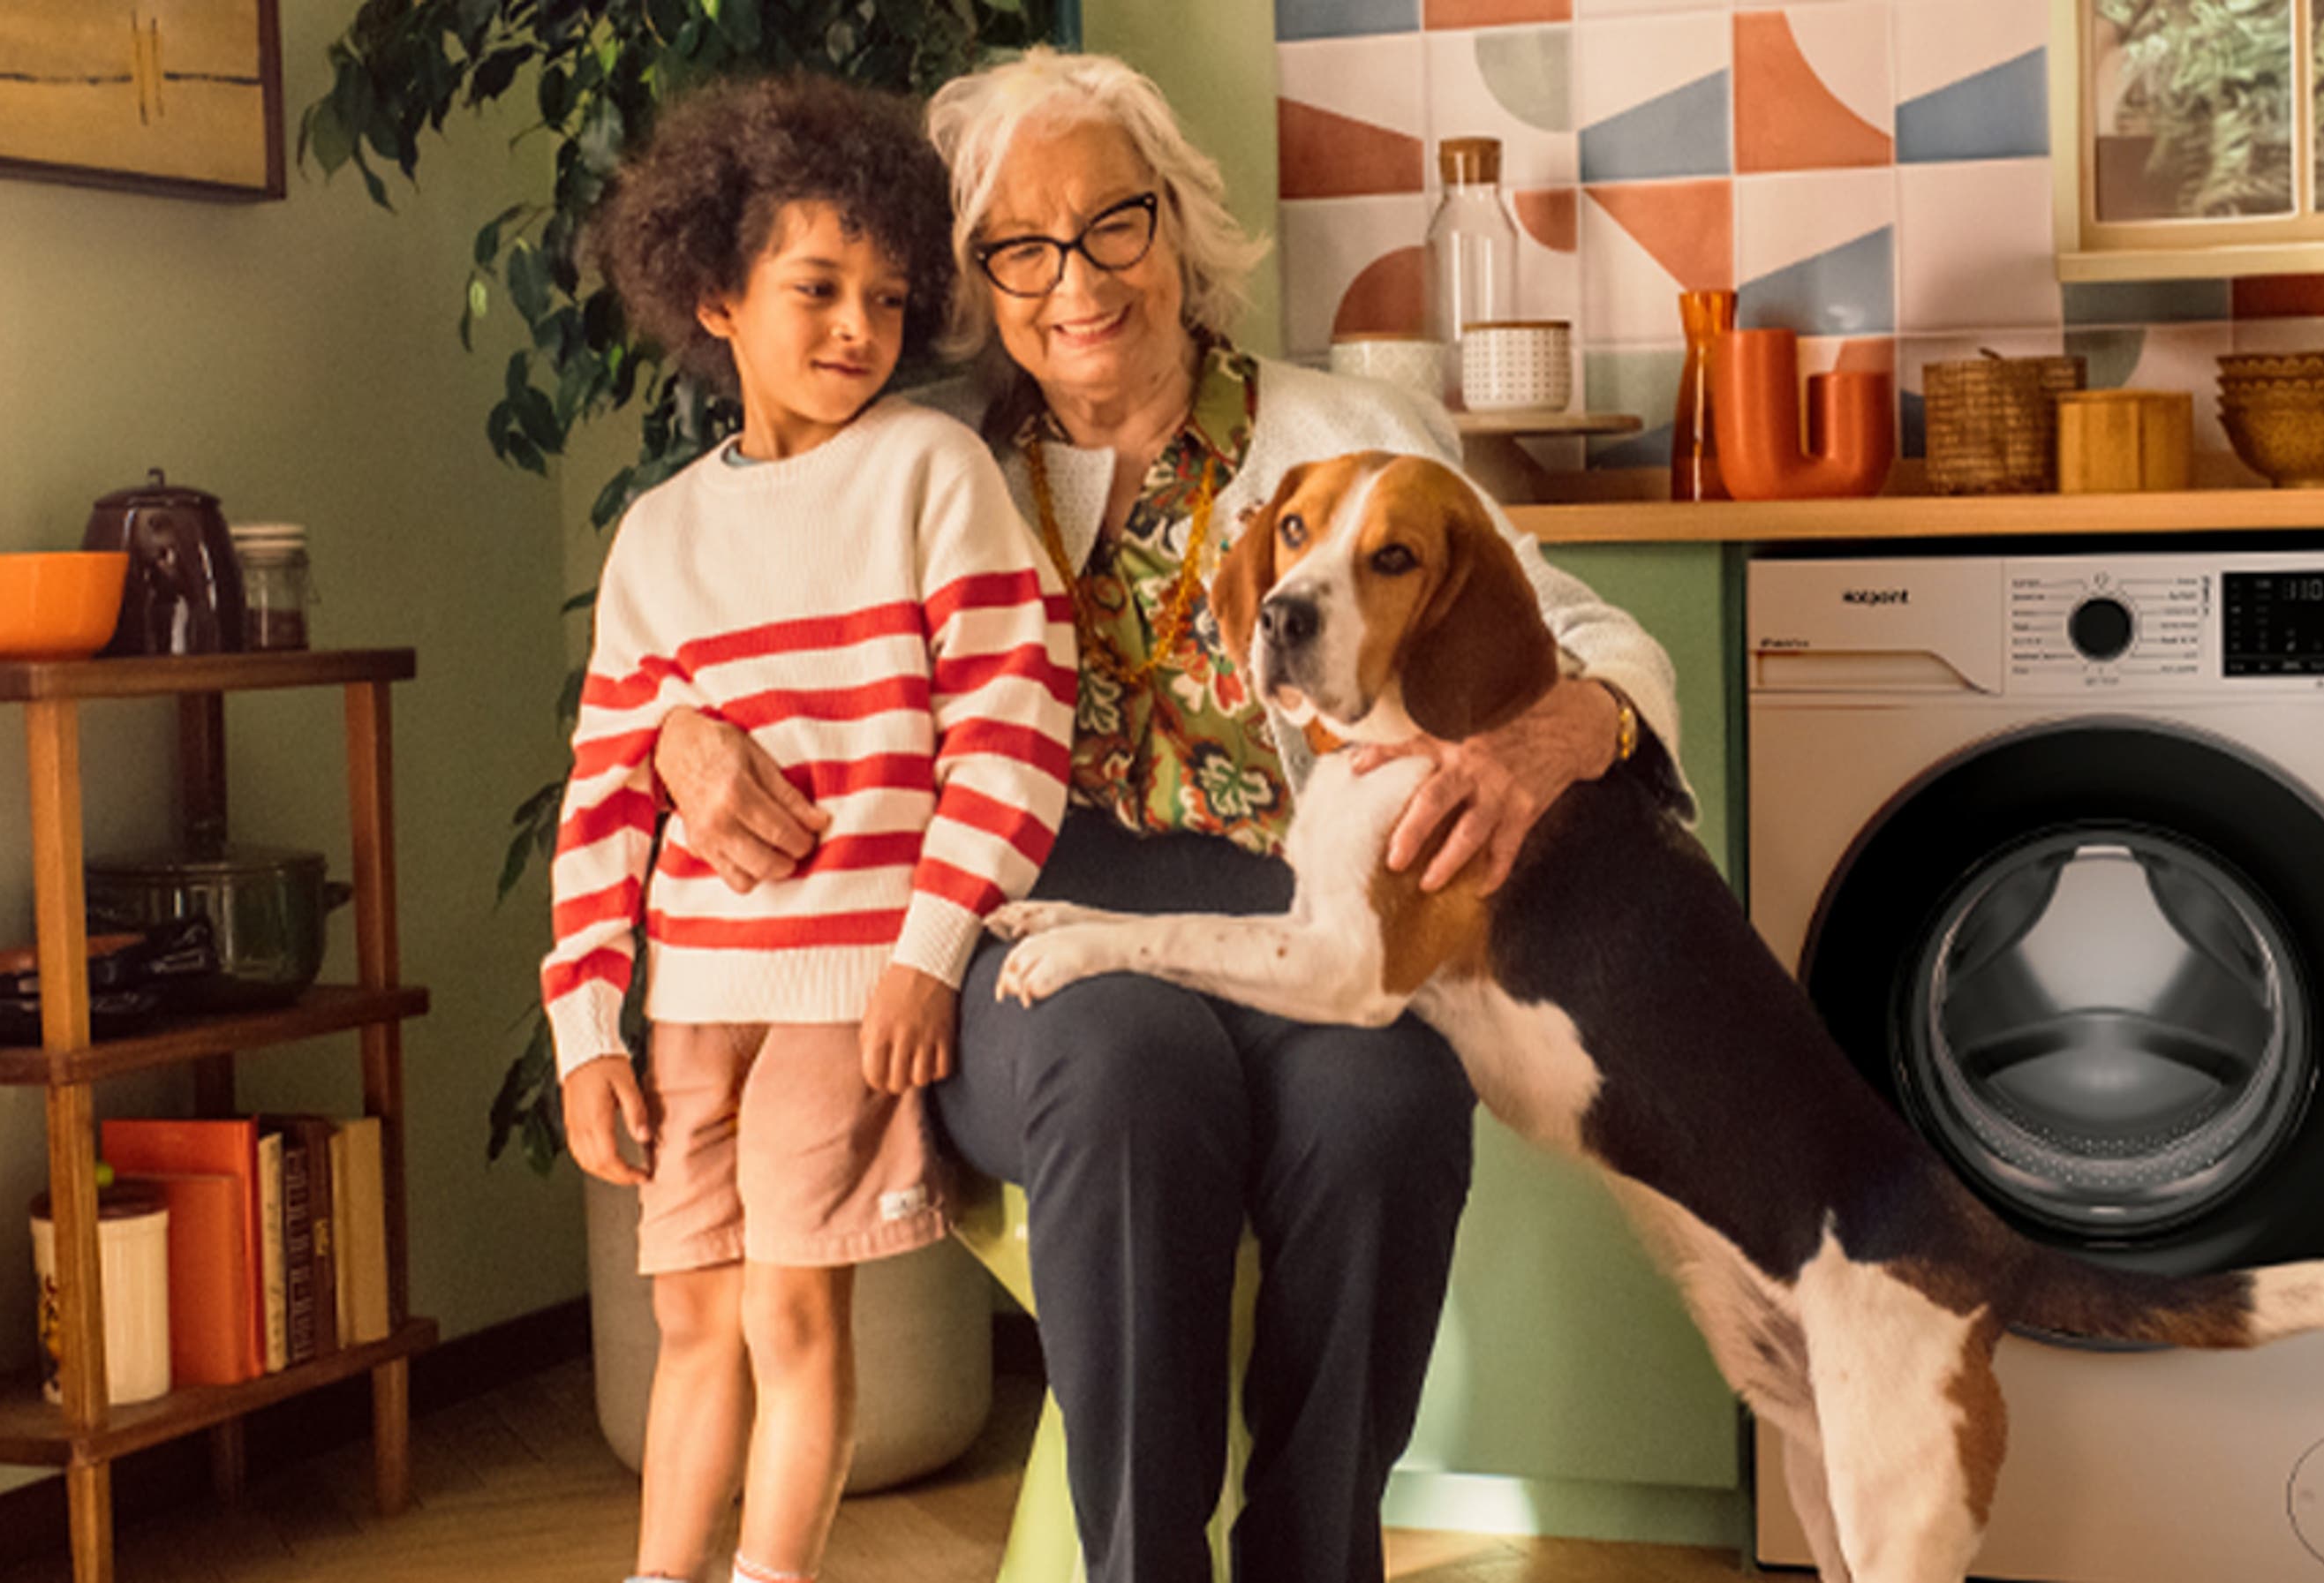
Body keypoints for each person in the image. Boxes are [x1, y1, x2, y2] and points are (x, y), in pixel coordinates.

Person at [634, 47, 1679, 1583]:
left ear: (1178, 226)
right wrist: (677, 741)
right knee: (1125, 1062)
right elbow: (710, 627)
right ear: (978, 280)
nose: (1077, 279)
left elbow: (1587, 636)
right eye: (1020, 246)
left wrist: (1569, 729)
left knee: (1385, 1104)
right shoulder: (918, 461)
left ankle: (1315, 1558)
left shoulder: (1337, 436)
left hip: (1297, 920)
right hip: (1021, 923)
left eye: (1113, 223)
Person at [542, 73, 1077, 1583]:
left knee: (791, 1310)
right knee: (691, 1315)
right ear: (716, 295)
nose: (859, 326)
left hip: (850, 994)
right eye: (818, 287)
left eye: (889, 297)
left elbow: (1014, 723)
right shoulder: (658, 536)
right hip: (692, 1003)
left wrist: (927, 952)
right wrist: (585, 1029)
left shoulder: (930, 473)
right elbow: (607, 791)